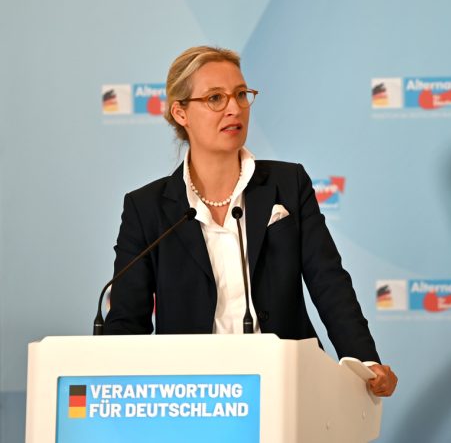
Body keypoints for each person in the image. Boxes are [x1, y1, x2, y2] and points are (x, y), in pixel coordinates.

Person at [104, 45, 397, 397]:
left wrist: (363, 361)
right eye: (215, 98)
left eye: (241, 95)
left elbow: (328, 282)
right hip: (190, 393)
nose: (234, 108)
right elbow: (126, 321)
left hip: (287, 385)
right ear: (180, 113)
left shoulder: (287, 185)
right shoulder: (148, 208)